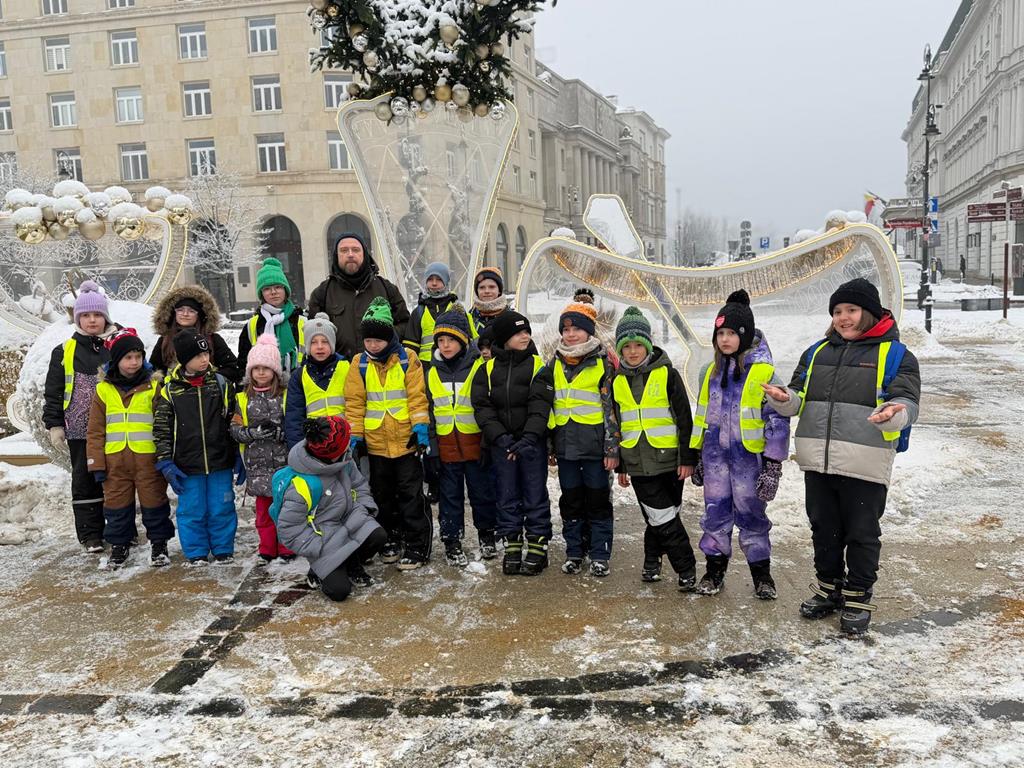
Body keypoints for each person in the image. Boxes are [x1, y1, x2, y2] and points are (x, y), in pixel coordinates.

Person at [763, 278, 920, 634]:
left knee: (862, 533)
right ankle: (829, 589)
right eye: (837, 311)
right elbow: (798, 396)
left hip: (865, 462)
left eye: (851, 310)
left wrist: (893, 413)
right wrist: (783, 398)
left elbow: (907, 401)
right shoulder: (816, 352)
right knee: (824, 530)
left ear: (870, 312)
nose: (843, 318)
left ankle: (858, 597)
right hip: (818, 461)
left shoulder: (896, 355)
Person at [689, 290, 790, 599]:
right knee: (715, 515)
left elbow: (777, 421)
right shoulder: (710, 372)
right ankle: (714, 572)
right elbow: (703, 415)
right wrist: (699, 455)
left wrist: (772, 465)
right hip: (716, 460)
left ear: (744, 335)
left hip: (749, 462)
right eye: (720, 334)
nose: (725, 339)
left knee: (752, 517)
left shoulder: (764, 372)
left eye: (731, 333)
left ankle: (762, 576)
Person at [612, 307, 700, 590]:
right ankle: (686, 567)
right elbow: (619, 425)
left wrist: (688, 458)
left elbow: (684, 419)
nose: (633, 352)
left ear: (648, 345)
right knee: (662, 516)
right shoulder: (617, 381)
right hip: (638, 463)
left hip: (670, 460)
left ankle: (652, 561)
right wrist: (621, 465)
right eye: (627, 346)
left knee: (662, 516)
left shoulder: (668, 375)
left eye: (638, 345)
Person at [344, 297, 432, 569]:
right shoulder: (359, 363)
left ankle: (417, 545)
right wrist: (355, 437)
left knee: (411, 495)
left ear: (390, 337)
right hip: (376, 443)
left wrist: (420, 429)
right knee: (382, 496)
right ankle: (390, 538)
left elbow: (417, 397)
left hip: (405, 441)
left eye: (378, 341)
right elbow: (355, 403)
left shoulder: (407, 359)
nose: (372, 345)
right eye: (368, 340)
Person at [471, 311, 555, 576]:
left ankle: (538, 546)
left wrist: (528, 438)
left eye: (527, 331)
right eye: (518, 333)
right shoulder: (486, 369)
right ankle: (512, 545)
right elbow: (482, 407)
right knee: (506, 495)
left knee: (534, 494)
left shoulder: (538, 366)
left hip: (531, 444)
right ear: (504, 338)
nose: (525, 336)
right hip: (502, 446)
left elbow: (540, 406)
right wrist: (501, 438)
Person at [43, 280, 122, 553]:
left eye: (97, 314)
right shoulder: (65, 350)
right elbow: (54, 391)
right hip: (80, 430)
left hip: (116, 427)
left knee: (116, 480)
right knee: (85, 481)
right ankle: (91, 535)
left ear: (105, 317)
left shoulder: (119, 344)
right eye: (86, 315)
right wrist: (54, 424)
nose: (92, 320)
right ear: (78, 318)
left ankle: (120, 530)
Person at [86, 328, 175, 568]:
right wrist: (96, 463)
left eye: (138, 356)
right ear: (116, 360)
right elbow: (95, 430)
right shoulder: (103, 390)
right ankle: (119, 545)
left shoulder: (154, 387)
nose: (134, 362)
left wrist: (165, 457)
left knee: (154, 504)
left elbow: (164, 424)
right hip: (115, 462)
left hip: (148, 460)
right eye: (128, 357)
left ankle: (159, 544)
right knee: (116, 507)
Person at [153, 329, 239, 566]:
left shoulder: (221, 384)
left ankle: (223, 549)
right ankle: (196, 552)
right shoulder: (170, 391)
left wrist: (237, 453)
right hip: (187, 465)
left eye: (206, 353)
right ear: (184, 359)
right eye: (198, 355)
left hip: (220, 461)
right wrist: (165, 461)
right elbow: (161, 429)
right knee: (192, 510)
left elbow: (233, 420)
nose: (204, 359)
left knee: (222, 507)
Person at [277, 416, 385, 601]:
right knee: (339, 591)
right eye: (346, 441)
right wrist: (318, 547)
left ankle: (352, 562)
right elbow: (289, 529)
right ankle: (318, 571)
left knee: (378, 536)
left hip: (349, 519)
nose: (349, 444)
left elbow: (359, 486)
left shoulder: (344, 459)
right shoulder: (300, 485)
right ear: (332, 453)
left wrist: (364, 510)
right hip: (324, 538)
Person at [547, 299, 619, 577]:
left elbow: (611, 410)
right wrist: (551, 445)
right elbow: (550, 407)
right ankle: (575, 552)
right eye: (566, 330)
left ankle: (600, 553)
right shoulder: (554, 363)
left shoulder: (602, 363)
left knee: (598, 501)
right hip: (566, 447)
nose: (571, 334)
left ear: (589, 331)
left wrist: (611, 448)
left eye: (576, 329)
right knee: (571, 501)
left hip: (594, 447)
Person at [426, 305, 498, 566]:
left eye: (451, 340)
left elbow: (489, 406)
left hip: (475, 443)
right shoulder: (432, 372)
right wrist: (432, 448)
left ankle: (487, 535)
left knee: (482, 493)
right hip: (446, 446)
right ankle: (452, 541)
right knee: (450, 497)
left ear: (463, 340)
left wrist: (488, 441)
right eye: (441, 340)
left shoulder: (479, 367)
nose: (445, 345)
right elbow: (429, 412)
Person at [231, 334, 292, 564]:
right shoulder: (242, 398)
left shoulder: (285, 395)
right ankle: (267, 547)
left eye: (266, 368)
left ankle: (286, 546)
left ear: (275, 370)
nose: (261, 373)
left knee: (286, 509)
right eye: (256, 368)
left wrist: (280, 433)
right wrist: (252, 433)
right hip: (257, 465)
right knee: (264, 513)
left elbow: (293, 426)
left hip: (284, 464)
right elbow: (235, 429)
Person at [307, 232, 410, 360]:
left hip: (381, 367)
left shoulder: (386, 288)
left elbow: (405, 324)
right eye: (344, 250)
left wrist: (386, 336)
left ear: (365, 254)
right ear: (336, 256)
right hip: (340, 369)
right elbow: (312, 333)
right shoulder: (323, 292)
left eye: (356, 250)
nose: (350, 254)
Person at [284, 313, 350, 449]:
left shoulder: (347, 368)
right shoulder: (299, 376)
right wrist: (297, 450)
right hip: (314, 444)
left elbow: (357, 405)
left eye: (325, 341)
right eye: (313, 342)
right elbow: (294, 417)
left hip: (346, 441)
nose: (319, 347)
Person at [150, 284, 239, 382]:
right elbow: (154, 371)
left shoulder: (212, 339)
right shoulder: (165, 340)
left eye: (191, 311)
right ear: (173, 313)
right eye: (180, 310)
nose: (185, 314)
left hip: (208, 390)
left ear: (199, 315)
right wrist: (168, 385)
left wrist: (211, 379)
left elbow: (232, 367)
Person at [237, 257, 306, 379]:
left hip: (299, 384)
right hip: (264, 386)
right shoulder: (253, 325)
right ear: (261, 294)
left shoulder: (302, 321)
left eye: (278, 287)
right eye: (267, 289)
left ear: (285, 290)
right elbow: (244, 363)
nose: (273, 292)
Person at [403, 262, 475, 364]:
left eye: (439, 279)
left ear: (446, 282)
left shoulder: (456, 309)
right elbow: (410, 346)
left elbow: (467, 339)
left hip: (453, 364)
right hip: (425, 365)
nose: (434, 283)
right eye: (430, 279)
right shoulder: (419, 312)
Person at [468, 266, 511, 336]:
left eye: (491, 287)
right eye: (482, 287)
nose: (487, 291)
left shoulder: (511, 317)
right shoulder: (468, 319)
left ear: (499, 290)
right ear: (477, 291)